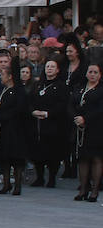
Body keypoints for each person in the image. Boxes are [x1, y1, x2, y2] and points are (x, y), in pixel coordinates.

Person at [0, 55, 29, 196]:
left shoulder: (18, 91)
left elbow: (19, 109)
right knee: (5, 158)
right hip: (4, 129)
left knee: (16, 159)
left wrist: (2, 116)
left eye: (3, 75)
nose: (1, 77)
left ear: (10, 76)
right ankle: (6, 184)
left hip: (15, 129)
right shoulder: (4, 91)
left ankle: (17, 185)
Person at [27, 57, 70, 188]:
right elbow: (30, 101)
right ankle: (39, 177)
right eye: (47, 66)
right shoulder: (38, 84)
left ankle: (52, 178)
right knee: (37, 152)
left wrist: (48, 113)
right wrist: (33, 111)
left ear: (57, 70)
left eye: (52, 67)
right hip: (37, 124)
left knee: (53, 152)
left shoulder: (61, 86)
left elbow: (63, 104)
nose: (49, 69)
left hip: (53, 124)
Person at [71, 63, 103, 202]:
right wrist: (76, 117)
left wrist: (85, 118)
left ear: (100, 75)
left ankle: (95, 190)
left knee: (96, 158)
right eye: (90, 71)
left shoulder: (101, 90)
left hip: (96, 127)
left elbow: (100, 109)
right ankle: (83, 188)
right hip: (79, 127)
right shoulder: (79, 88)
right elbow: (71, 104)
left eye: (95, 72)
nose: (92, 74)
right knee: (82, 158)